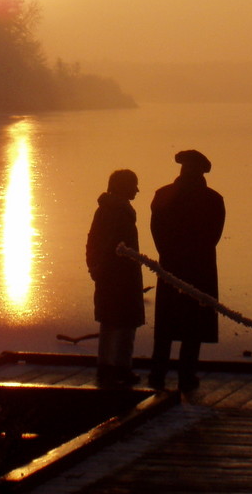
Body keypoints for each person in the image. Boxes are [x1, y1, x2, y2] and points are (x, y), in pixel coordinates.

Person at [148, 149, 225, 392]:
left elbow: (156, 231)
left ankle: (158, 373)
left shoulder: (163, 194)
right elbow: (214, 236)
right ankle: (186, 374)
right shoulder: (213, 199)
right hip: (199, 267)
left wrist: (168, 253)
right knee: (193, 324)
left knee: (166, 325)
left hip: (171, 264)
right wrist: (195, 253)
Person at [86, 169, 145, 387]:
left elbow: (92, 241)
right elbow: (103, 243)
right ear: (122, 186)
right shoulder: (116, 212)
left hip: (114, 275)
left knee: (116, 321)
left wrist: (94, 267)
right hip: (118, 277)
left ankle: (112, 366)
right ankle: (116, 368)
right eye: (134, 185)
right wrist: (98, 267)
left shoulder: (107, 210)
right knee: (120, 322)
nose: (137, 190)